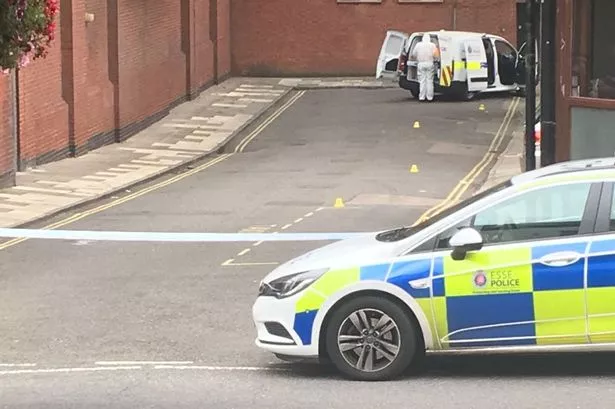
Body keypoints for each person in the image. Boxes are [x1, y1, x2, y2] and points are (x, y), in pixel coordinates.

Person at [411, 33, 440, 101]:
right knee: (429, 81)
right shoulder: (432, 45)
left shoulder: (418, 45)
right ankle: (430, 97)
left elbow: (414, 54)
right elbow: (436, 55)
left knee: (422, 81)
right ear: (429, 39)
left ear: (423, 38)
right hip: (430, 63)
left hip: (421, 64)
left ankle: (422, 97)